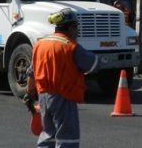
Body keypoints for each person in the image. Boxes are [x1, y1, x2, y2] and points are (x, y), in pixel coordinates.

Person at [26, 8, 100, 148]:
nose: (77, 31)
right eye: (76, 27)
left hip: (43, 97)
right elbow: (93, 64)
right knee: (67, 138)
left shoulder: (40, 44)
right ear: (71, 27)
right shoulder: (70, 46)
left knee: (48, 135)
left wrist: (29, 94)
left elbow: (31, 72)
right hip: (63, 96)